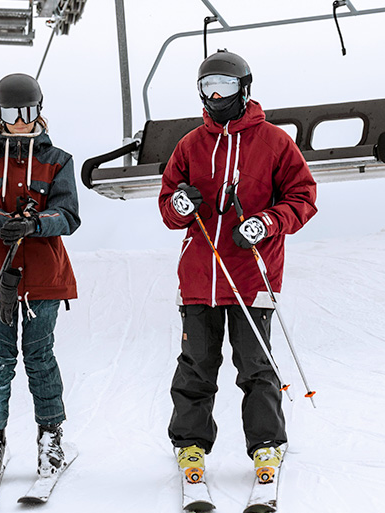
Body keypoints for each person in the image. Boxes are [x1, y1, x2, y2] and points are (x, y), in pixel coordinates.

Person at [158, 51, 318, 483]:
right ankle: (190, 444)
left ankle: (266, 444)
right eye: (208, 86)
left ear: (244, 88)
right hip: (199, 279)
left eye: (226, 86)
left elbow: (303, 198)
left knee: (255, 366)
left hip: (251, 276)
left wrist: (266, 222)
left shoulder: (274, 141)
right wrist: (179, 204)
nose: (215, 95)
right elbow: (168, 206)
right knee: (195, 365)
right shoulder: (190, 145)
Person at [0, 73, 80, 482]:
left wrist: (34, 225)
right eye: (11, 112)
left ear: (39, 110)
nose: (21, 120)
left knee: (40, 356)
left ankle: (51, 436)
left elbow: (68, 215)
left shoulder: (57, 159)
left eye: (27, 111)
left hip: (43, 277)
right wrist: (1, 222)